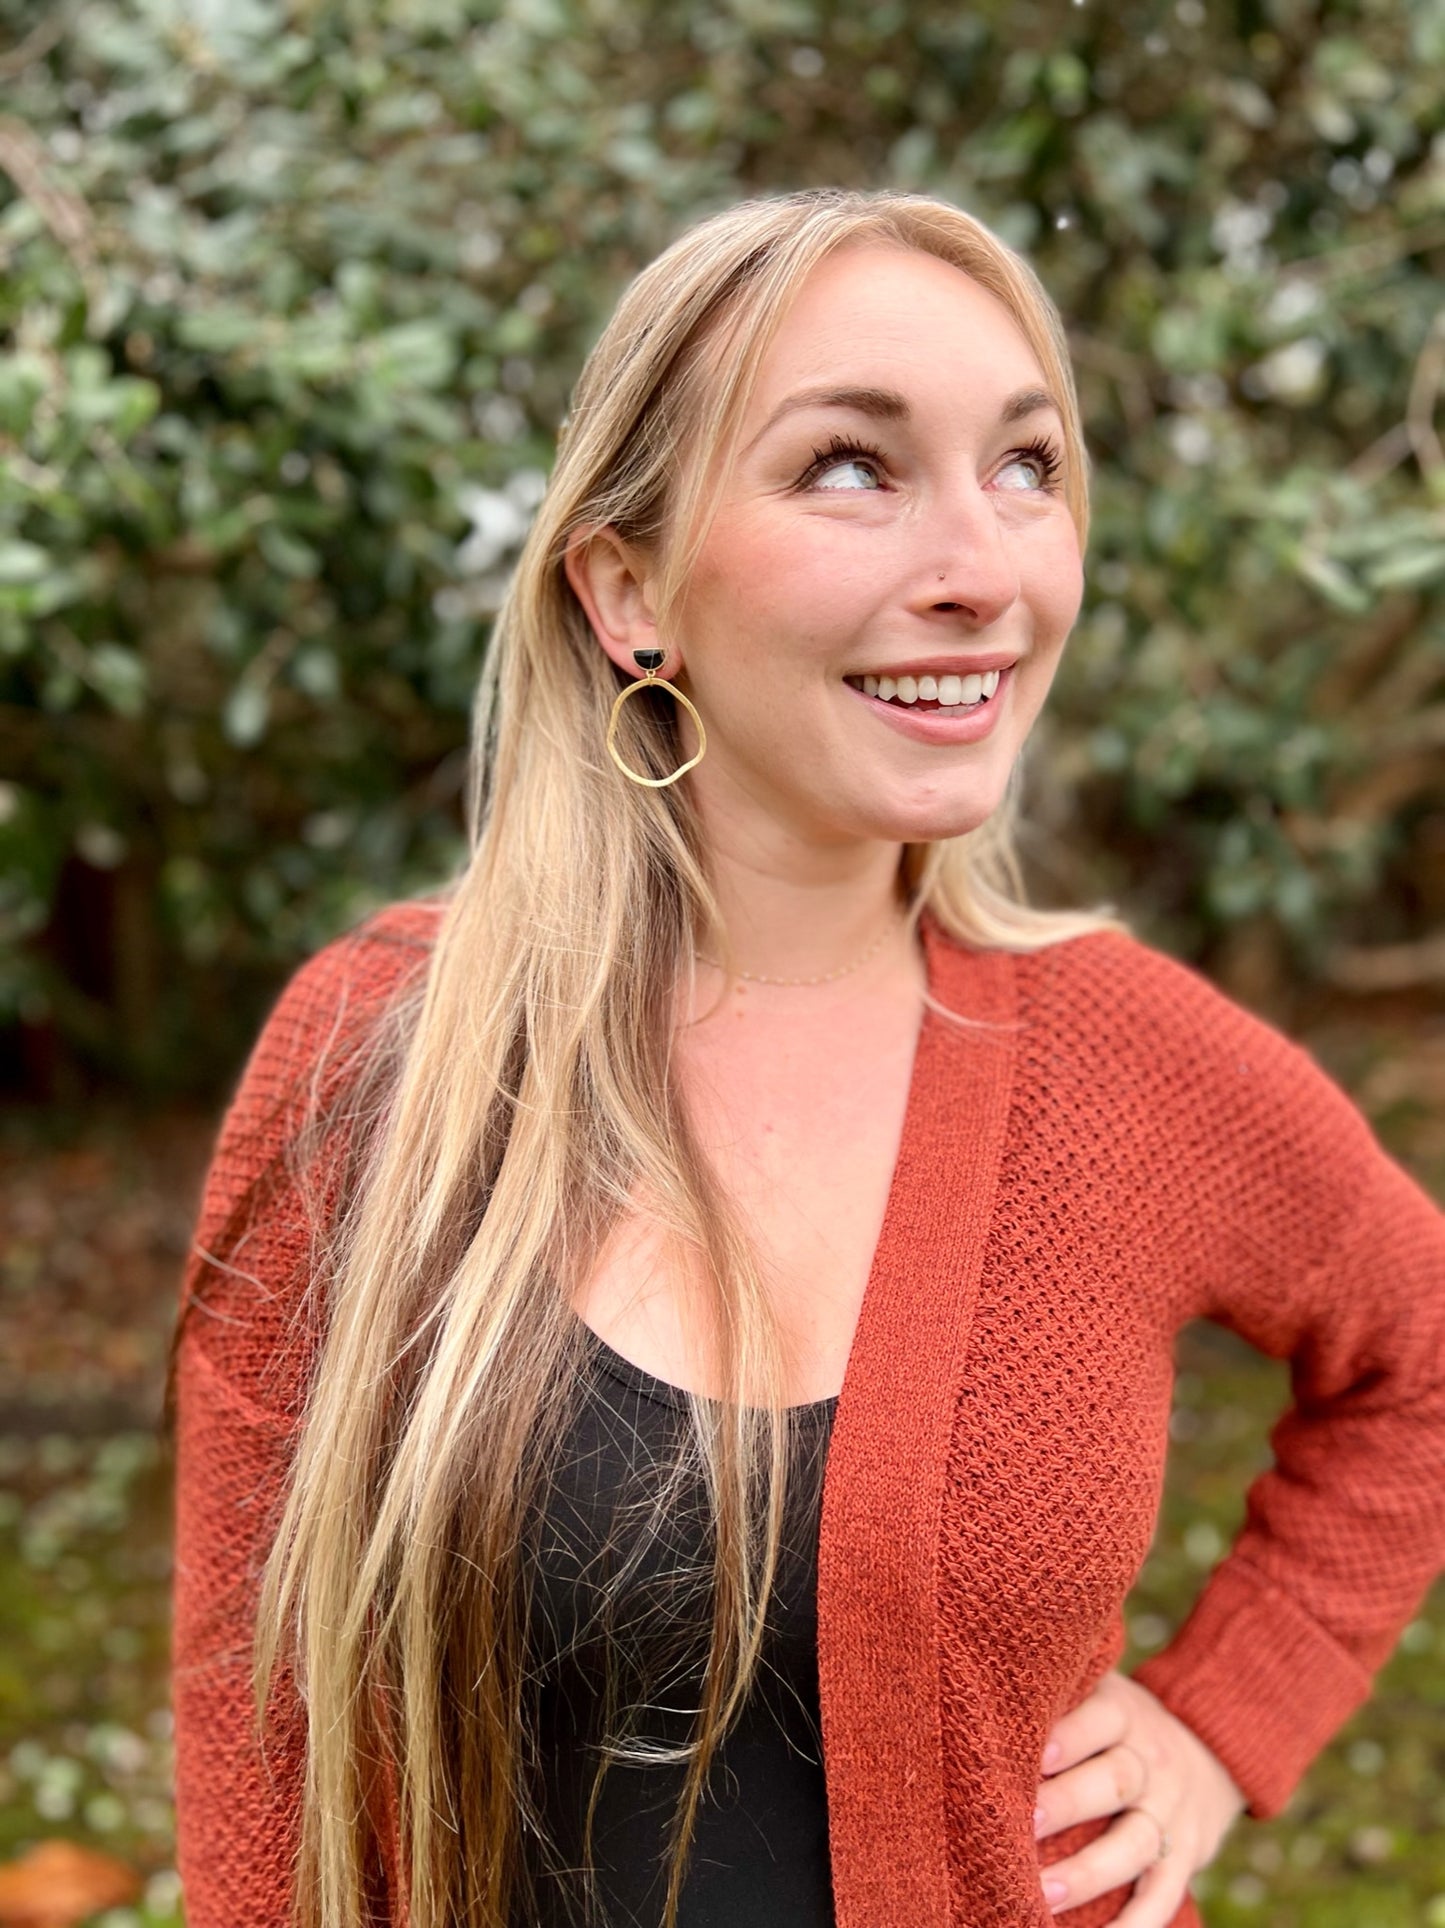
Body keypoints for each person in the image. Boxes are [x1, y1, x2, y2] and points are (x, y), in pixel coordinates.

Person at [169, 188, 1445, 1928]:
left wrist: (1225, 1722)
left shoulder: (1128, 1066)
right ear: (628, 591)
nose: (982, 570)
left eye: (1026, 466)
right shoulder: (376, 1066)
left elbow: (1419, 1357)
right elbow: (258, 1711)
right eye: (850, 465)